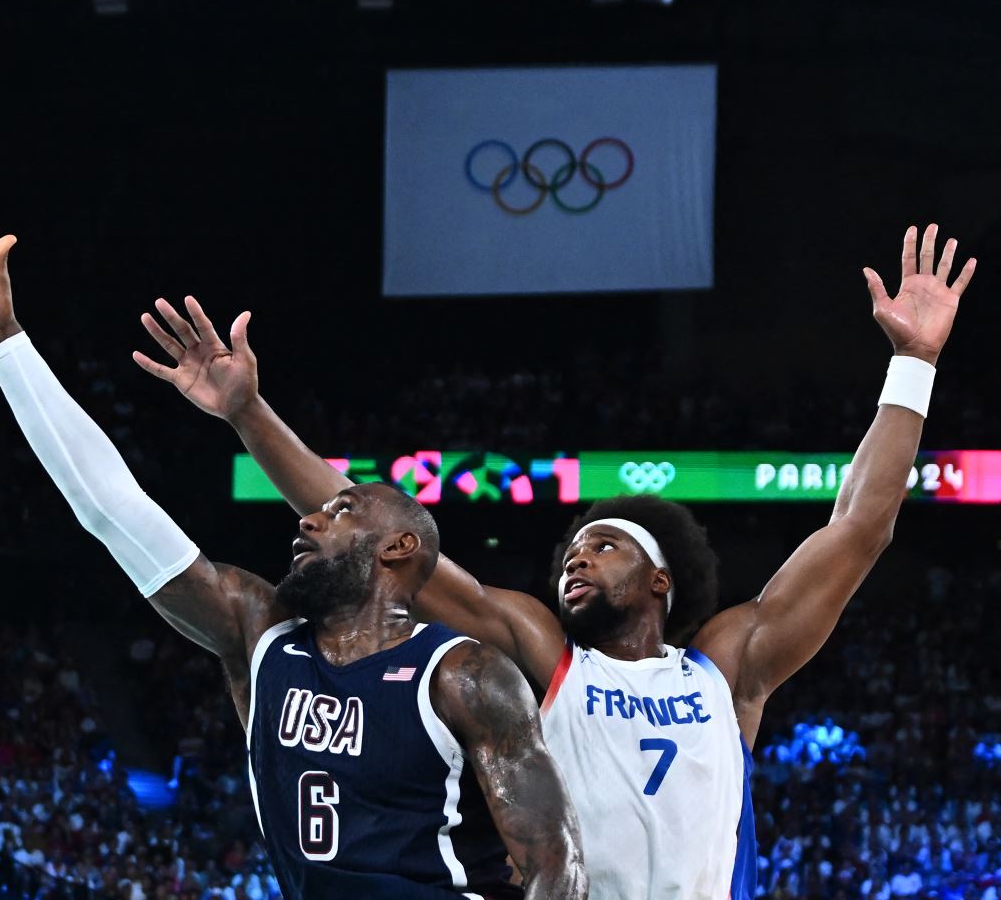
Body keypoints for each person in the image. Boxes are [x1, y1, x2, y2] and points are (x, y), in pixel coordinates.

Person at [132, 224, 975, 899]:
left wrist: (913, 363)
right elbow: (365, 528)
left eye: (602, 545)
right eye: (572, 547)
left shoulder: (729, 665)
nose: (576, 558)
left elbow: (860, 526)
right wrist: (248, 414)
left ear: (659, 580)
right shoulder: (544, 654)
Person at [0, 227, 586, 900]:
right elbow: (114, 512)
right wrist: (8, 348)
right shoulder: (261, 634)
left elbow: (556, 866)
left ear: (399, 549)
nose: (309, 517)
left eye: (341, 513)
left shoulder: (466, 674)